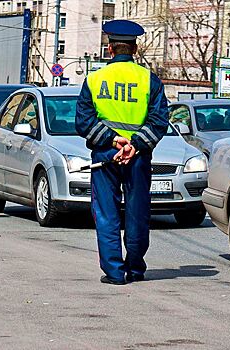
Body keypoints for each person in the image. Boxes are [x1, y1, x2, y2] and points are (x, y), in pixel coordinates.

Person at [75, 20, 169, 285]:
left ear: (110, 48)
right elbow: (159, 120)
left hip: (105, 156)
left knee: (106, 213)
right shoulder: (149, 80)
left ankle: (115, 272)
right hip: (137, 156)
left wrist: (113, 140)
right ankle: (136, 269)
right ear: (135, 48)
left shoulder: (94, 80)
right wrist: (133, 145)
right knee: (137, 211)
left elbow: (83, 122)